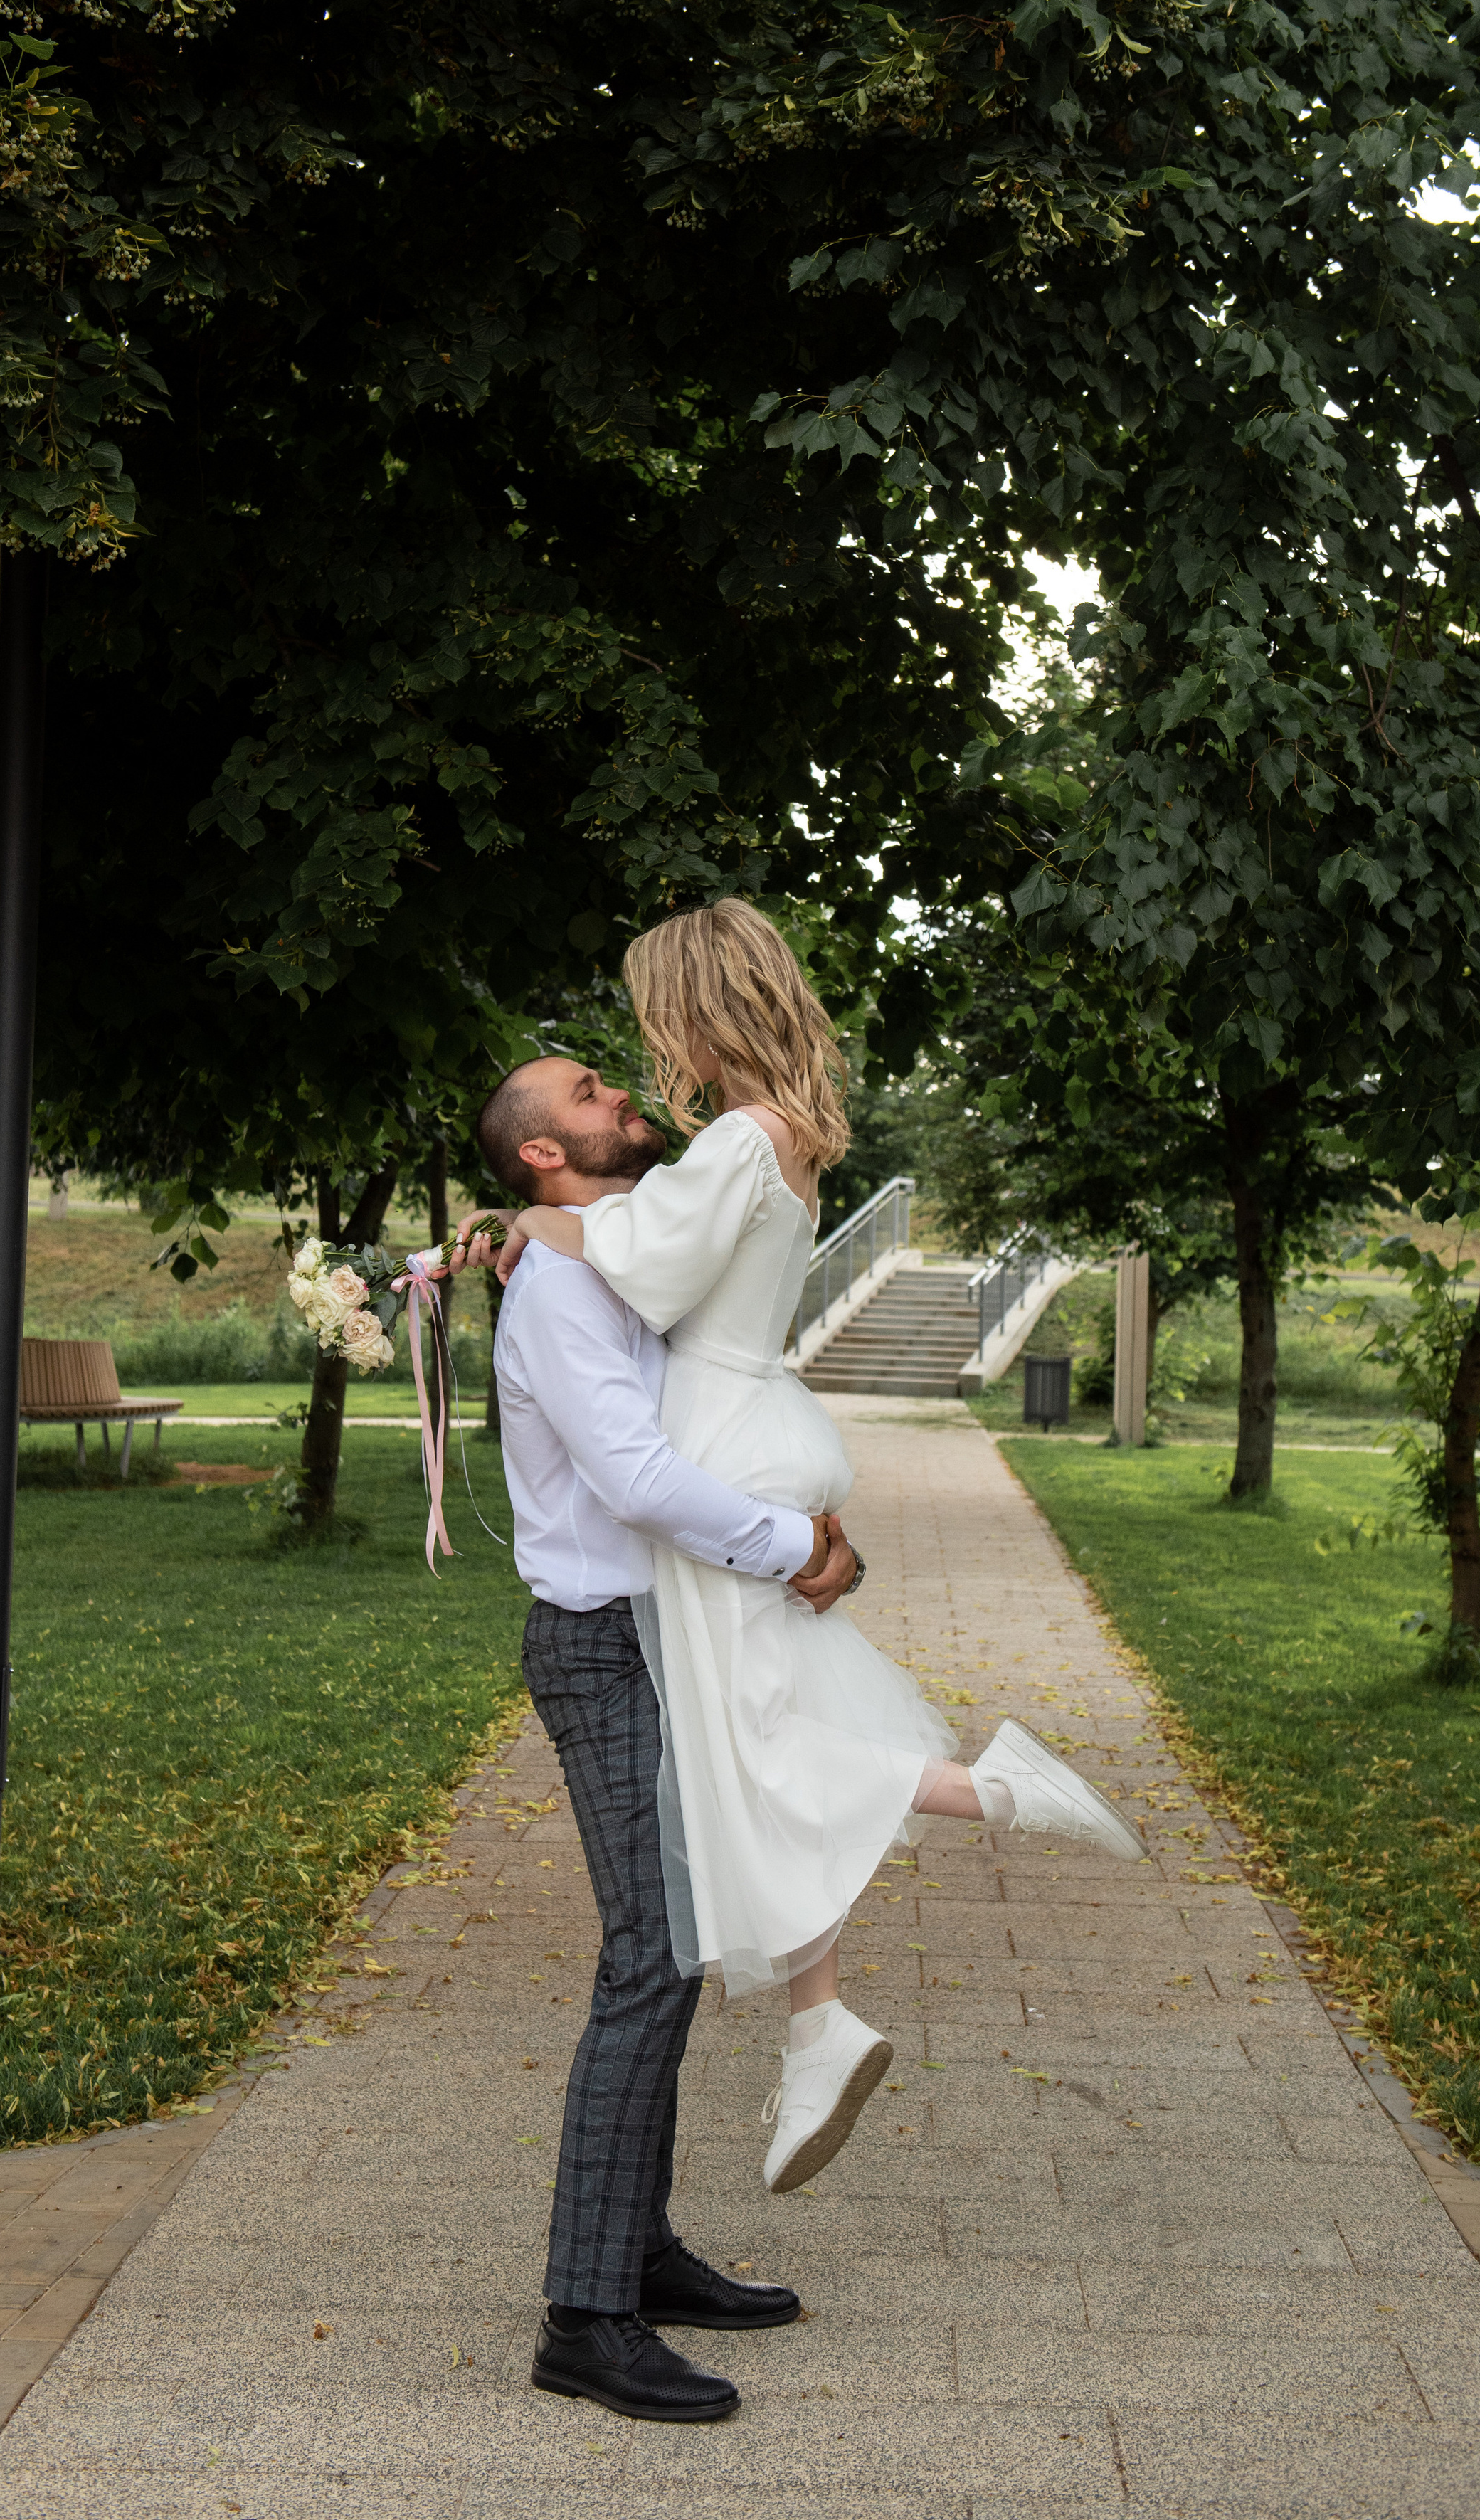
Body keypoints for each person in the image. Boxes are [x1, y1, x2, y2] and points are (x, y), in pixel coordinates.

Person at [464, 899, 1144, 2211]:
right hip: (760, 1424)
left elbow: (651, 1273)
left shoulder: (731, 1140)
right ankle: (817, 2023)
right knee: (751, 1738)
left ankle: (986, 1798)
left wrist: (550, 1226)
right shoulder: (784, 1129)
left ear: (698, 1010)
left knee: (756, 1745)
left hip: (719, 1438)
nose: (639, 1054)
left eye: (652, 1022)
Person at [468, 1054, 859, 2425]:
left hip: (666, 1631)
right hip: (603, 1643)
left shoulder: (600, 1255)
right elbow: (634, 1475)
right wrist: (787, 1545)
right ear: (540, 1153)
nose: (621, 1097)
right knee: (648, 1961)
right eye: (589, 1093)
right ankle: (585, 2316)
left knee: (677, 1952)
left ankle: (637, 2252)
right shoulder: (565, 1292)